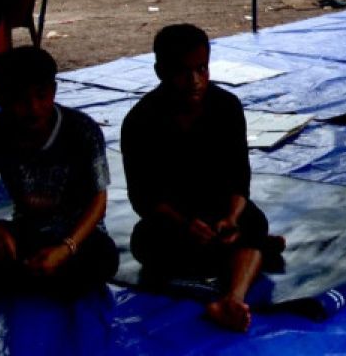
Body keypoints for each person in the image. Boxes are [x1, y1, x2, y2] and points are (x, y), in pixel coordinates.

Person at [121, 24, 284, 333]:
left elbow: (240, 178)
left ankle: (233, 299)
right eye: (183, 72)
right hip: (175, 220)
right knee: (144, 242)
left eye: (201, 69)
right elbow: (143, 197)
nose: (194, 81)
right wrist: (184, 224)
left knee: (252, 223)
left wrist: (232, 218)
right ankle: (249, 256)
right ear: (160, 71)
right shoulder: (141, 121)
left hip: (220, 213)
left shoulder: (226, 106)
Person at [0, 47, 118, 296]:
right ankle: (36, 278)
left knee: (104, 260)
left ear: (53, 92)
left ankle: (15, 279)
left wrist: (66, 248)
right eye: (21, 100)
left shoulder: (82, 129)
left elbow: (99, 202)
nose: (32, 108)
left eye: (41, 96)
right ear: (0, 98)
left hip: (77, 239)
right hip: (26, 234)